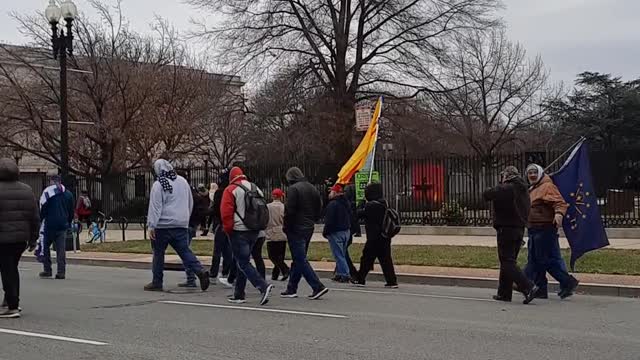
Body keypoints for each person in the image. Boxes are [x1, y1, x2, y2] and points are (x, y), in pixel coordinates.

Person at [144, 159, 210, 292]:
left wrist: (151, 225)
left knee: (158, 253)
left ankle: (157, 282)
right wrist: (185, 219)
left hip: (163, 225)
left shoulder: (159, 184)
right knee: (185, 251)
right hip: (180, 223)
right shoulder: (182, 181)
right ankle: (200, 271)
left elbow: (155, 207)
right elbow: (189, 201)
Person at [483, 166, 538, 304]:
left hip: (506, 229)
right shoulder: (523, 190)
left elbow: (487, 194)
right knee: (509, 261)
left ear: (507, 176)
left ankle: (528, 286)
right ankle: (504, 293)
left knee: (507, 261)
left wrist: (500, 185)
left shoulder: (508, 188)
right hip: (519, 229)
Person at [524, 164, 580, 299]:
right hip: (533, 229)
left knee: (543, 260)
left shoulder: (547, 187)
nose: (532, 175)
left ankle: (567, 282)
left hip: (544, 229)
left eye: (534, 172)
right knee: (534, 260)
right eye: (529, 173)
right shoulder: (533, 188)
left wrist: (559, 214)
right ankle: (540, 289)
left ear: (540, 173)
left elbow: (560, 203)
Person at [221, 166, 273, 305]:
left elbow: (226, 213)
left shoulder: (231, 189)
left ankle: (263, 286)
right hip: (254, 230)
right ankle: (239, 294)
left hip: (239, 230)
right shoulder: (255, 188)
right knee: (242, 261)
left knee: (243, 262)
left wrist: (228, 229)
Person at [280, 167, 329, 300]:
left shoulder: (293, 189)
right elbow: (319, 206)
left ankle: (317, 286)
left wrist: (286, 226)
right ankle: (291, 288)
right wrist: (313, 219)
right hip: (309, 226)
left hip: (296, 227)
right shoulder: (312, 188)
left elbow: (290, 210)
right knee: (298, 258)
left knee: (300, 259)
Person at [0, 159, 39, 318]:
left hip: (3, 238)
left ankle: (12, 305)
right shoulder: (27, 190)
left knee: (7, 270)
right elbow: (35, 217)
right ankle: (9, 299)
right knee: (11, 268)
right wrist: (33, 238)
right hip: (20, 239)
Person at [352, 183, 398, 288]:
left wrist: (361, 203)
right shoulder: (384, 203)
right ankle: (392, 281)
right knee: (386, 259)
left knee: (366, 258)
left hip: (374, 238)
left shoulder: (371, 205)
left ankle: (360, 279)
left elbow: (358, 214)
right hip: (385, 236)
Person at [38, 175, 74, 280]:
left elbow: (43, 208)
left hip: (50, 224)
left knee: (45, 247)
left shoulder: (48, 194)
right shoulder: (68, 194)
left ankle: (47, 269)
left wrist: (41, 219)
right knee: (60, 250)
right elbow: (71, 210)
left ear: (52, 182)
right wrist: (68, 221)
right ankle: (61, 272)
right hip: (62, 224)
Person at [179, 184, 211, 288]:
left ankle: (193, 277)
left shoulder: (185, 193)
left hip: (186, 224)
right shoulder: (194, 193)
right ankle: (192, 277)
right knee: (186, 250)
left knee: (185, 252)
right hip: (192, 224)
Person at [323, 184, 352, 283]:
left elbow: (329, 220)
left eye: (331, 191)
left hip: (336, 231)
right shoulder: (346, 203)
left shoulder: (333, 204)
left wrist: (325, 232)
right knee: (342, 253)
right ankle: (339, 273)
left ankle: (345, 274)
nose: (329, 193)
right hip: (346, 231)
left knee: (338, 254)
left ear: (335, 193)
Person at [209, 171, 234, 287]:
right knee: (228, 250)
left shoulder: (220, 192)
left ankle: (213, 273)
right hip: (230, 223)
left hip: (220, 222)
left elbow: (215, 209)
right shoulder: (232, 191)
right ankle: (226, 271)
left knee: (217, 250)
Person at [266, 188, 289, 281]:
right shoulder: (284, 207)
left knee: (272, 255)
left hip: (271, 232)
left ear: (272, 196)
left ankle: (284, 269)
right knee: (280, 255)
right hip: (282, 232)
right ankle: (275, 274)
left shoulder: (268, 207)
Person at [343, 182, 360, 277]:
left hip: (347, 229)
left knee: (343, 252)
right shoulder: (352, 204)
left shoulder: (347, 204)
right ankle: (340, 271)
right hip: (349, 229)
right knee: (342, 251)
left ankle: (351, 271)